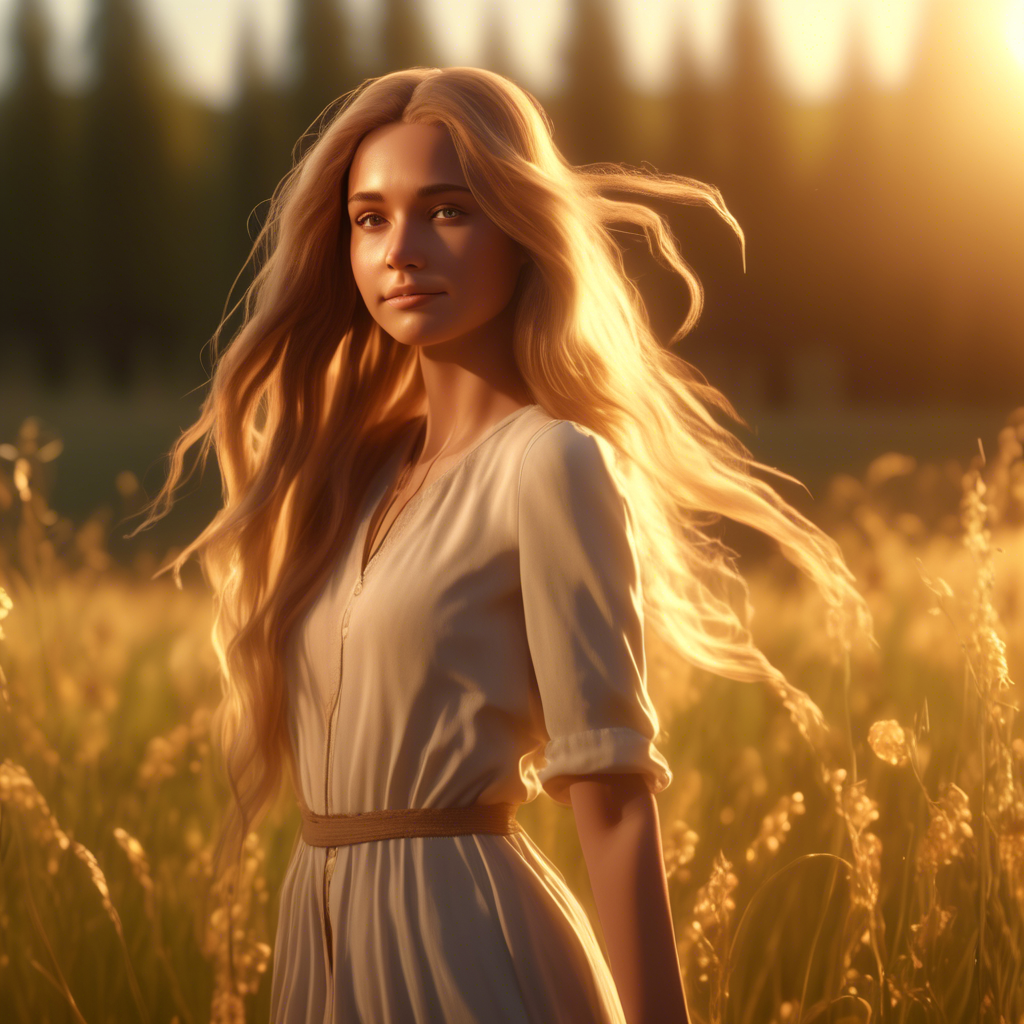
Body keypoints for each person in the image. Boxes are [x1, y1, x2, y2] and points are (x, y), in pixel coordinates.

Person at [131, 67, 874, 1023]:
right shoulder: (346, 480)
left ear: (520, 235)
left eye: (447, 211)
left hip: (465, 947)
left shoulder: (553, 465)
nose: (401, 251)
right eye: (369, 218)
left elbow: (609, 797)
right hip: (321, 944)